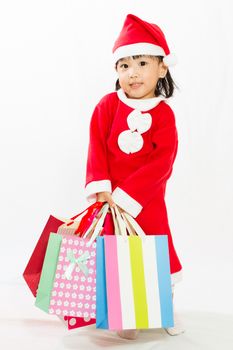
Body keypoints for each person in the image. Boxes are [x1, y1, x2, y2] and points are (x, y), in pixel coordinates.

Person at [84, 14, 184, 340]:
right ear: (116, 71)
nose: (133, 73)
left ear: (162, 69)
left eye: (142, 63)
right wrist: (102, 188)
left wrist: (131, 195)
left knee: (154, 251)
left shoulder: (164, 114)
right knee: (116, 255)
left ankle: (163, 305)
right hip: (109, 200)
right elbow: (96, 146)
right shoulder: (107, 107)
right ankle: (126, 313)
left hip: (147, 200)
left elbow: (162, 161)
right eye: (124, 66)